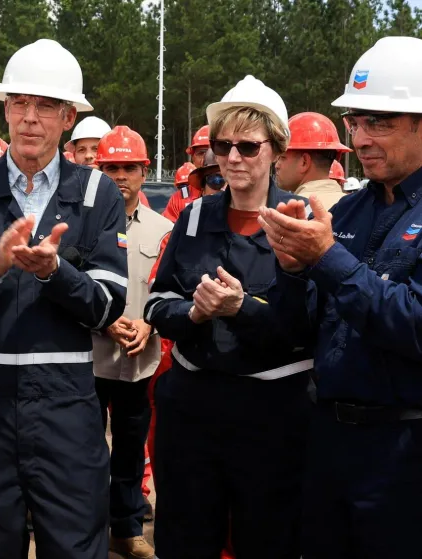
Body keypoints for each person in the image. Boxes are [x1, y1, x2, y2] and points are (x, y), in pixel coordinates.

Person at [0, 38, 128, 558]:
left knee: (77, 546)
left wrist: (56, 274)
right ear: (6, 109)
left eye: (46, 106)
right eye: (19, 103)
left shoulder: (97, 193)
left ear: (68, 117)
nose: (30, 118)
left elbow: (107, 305)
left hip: (65, 408)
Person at [259, 36, 422, 558]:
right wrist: (290, 271)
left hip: (405, 454)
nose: (361, 138)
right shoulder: (346, 214)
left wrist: (329, 260)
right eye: (356, 121)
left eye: (380, 122)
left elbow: (415, 325)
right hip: (329, 443)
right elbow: (302, 329)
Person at [144, 75, 312, 558]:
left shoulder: (301, 220)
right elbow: (157, 303)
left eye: (247, 146)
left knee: (269, 538)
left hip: (272, 416)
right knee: (185, 537)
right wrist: (193, 313)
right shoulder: (194, 218)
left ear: (277, 150)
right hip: (195, 411)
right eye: (223, 145)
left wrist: (242, 310)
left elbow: (311, 325)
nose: (233, 157)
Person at [92, 125, 171, 559]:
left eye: (128, 167)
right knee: (85, 452)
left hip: (139, 362)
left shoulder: (164, 230)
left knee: (127, 451)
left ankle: (125, 530)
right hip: (90, 360)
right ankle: (86, 529)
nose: (120, 176)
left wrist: (151, 327)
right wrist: (103, 322)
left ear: (144, 171)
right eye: (111, 167)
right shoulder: (84, 227)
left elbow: (170, 289)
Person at [274, 111, 352, 209]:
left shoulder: (291, 212)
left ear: (304, 162)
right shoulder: (355, 207)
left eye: (282, 158)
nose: (277, 165)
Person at [162, 126, 212, 222]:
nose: (207, 158)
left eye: (212, 152)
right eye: (201, 153)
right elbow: (169, 234)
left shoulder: (236, 194)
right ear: (193, 158)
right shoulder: (179, 199)